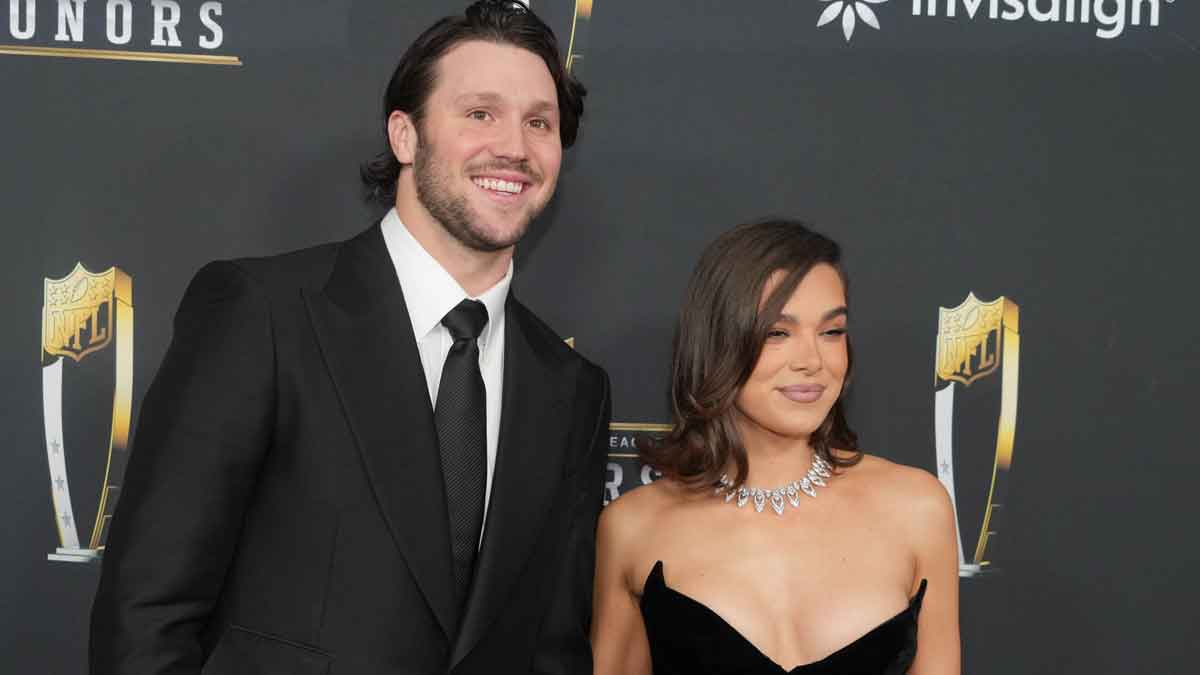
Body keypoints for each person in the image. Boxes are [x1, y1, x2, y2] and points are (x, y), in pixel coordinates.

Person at [90, 2, 611, 673]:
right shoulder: (264, 315)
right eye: (480, 112)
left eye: (539, 121)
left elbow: (553, 650)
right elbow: (147, 615)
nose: (514, 145)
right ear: (405, 135)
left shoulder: (570, 391)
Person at [591, 220, 960, 674]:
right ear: (718, 344)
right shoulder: (632, 528)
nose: (812, 361)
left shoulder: (917, 508)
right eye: (777, 333)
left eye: (832, 331)